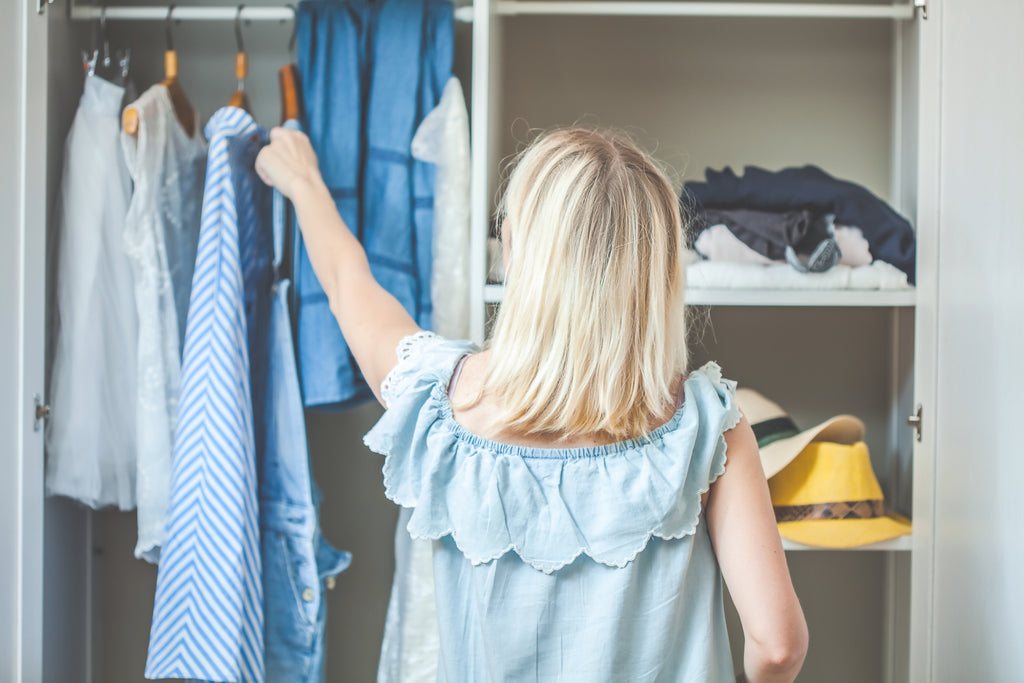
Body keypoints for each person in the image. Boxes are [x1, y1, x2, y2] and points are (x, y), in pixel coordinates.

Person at [255, 126, 808, 683]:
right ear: (658, 268)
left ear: (514, 248)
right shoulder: (705, 425)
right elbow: (778, 646)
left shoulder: (438, 403)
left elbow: (348, 283)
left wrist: (303, 184)